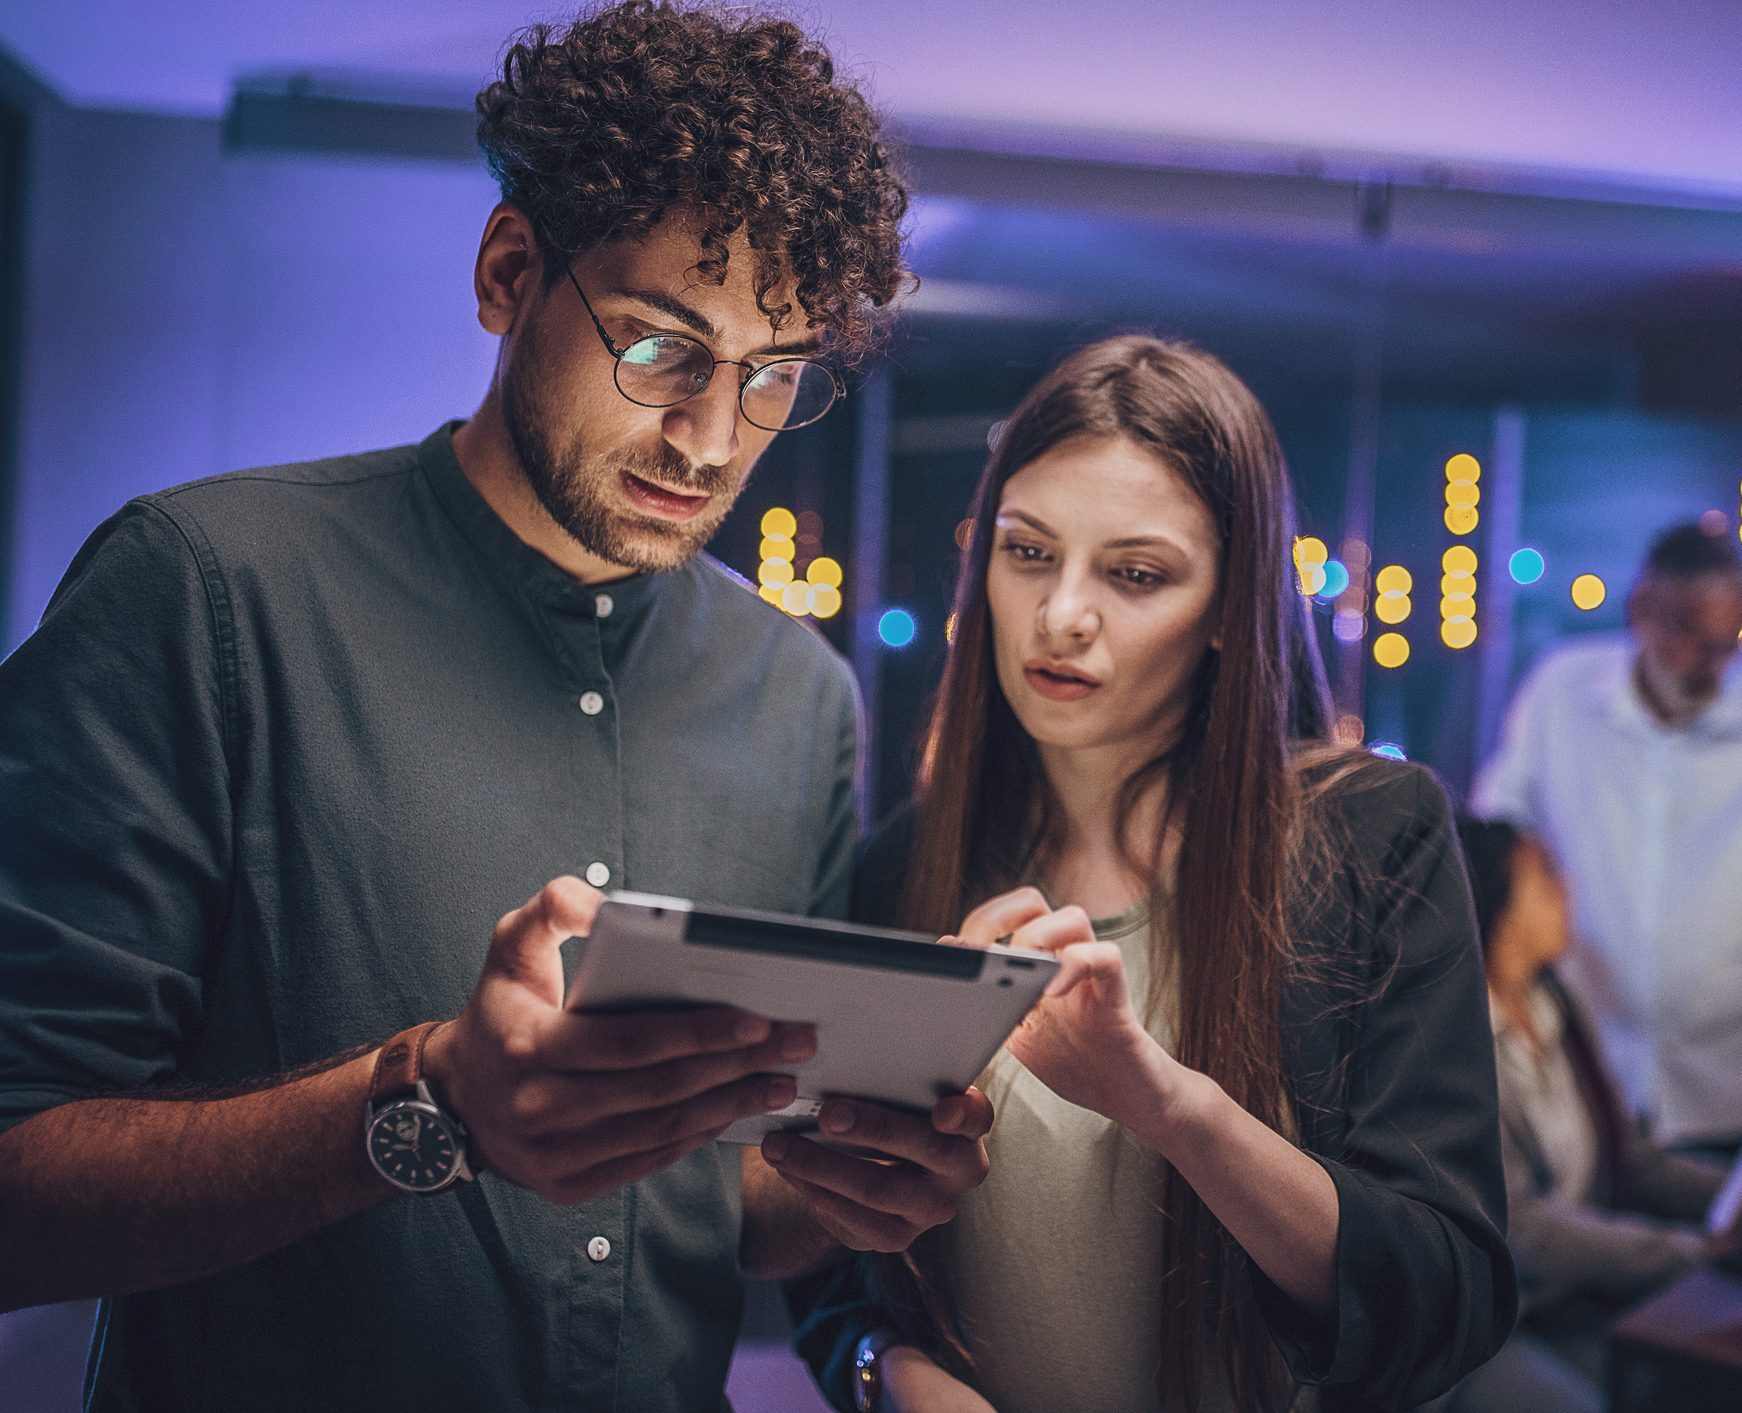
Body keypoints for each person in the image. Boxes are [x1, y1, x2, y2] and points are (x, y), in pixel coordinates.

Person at [0, 6, 1002, 1409]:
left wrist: (853, 1185)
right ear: (508, 270)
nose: (712, 438)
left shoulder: (799, 699)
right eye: (661, 346)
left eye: (771, 376)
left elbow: (730, 1197)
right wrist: (426, 1101)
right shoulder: (204, 591)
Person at [786, 336, 1516, 1413]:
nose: (1061, 614)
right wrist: (890, 1378)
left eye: (1133, 575)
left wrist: (1170, 1105)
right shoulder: (908, 863)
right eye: (1027, 552)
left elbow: (1441, 1302)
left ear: (1229, 607)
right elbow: (826, 1258)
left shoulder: (1366, 837)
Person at [1443, 821, 1733, 1413]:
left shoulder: (1555, 1006)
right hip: (1496, 1322)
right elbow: (1524, 1230)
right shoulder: (1457, 1040)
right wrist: (1701, 1252)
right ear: (1495, 898)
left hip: (1571, 1301)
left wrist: (1732, 1195)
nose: (1566, 887)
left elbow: (1633, 1158)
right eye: (1544, 874)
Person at [1471, 521, 1742, 1152]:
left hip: (1725, 1084)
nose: (1710, 662)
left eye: (1727, 642)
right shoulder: (1560, 690)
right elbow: (1500, 838)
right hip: (1588, 1069)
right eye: (1691, 635)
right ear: (1641, 610)